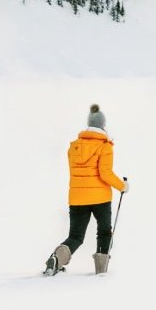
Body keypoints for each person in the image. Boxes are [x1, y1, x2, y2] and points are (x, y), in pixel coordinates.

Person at [45, 103, 128, 276]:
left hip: (77, 197)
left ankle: (56, 259)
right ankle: (101, 269)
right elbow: (105, 173)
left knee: (75, 236)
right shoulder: (105, 146)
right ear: (103, 125)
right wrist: (122, 186)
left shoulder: (74, 147)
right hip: (100, 198)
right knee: (104, 232)